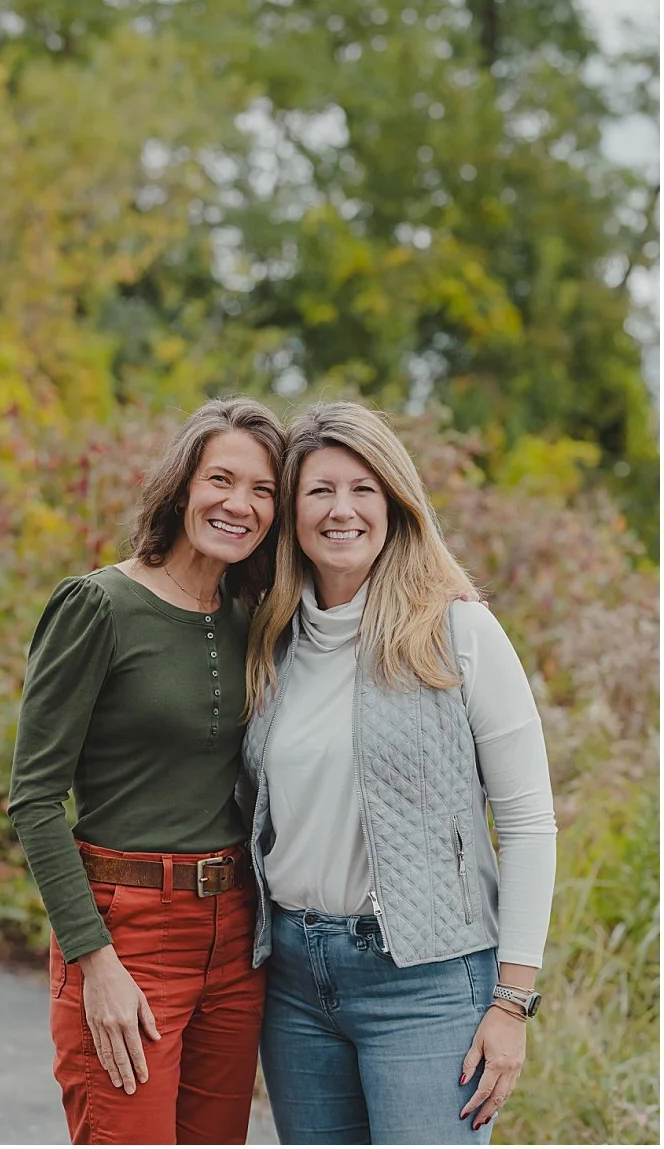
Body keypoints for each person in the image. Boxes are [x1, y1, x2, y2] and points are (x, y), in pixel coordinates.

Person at [242, 402, 556, 1143]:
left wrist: (512, 1002)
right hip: (293, 979)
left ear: (395, 504)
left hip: (429, 984)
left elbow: (528, 821)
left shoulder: (457, 631)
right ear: (292, 511)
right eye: (319, 490)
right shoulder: (270, 639)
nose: (341, 509)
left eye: (363, 489)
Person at [7, 399, 287, 1145]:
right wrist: (94, 959)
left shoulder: (253, 616)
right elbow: (33, 798)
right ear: (181, 485)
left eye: (262, 489)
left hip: (234, 935)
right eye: (220, 478)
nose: (239, 503)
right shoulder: (98, 605)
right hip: (126, 932)